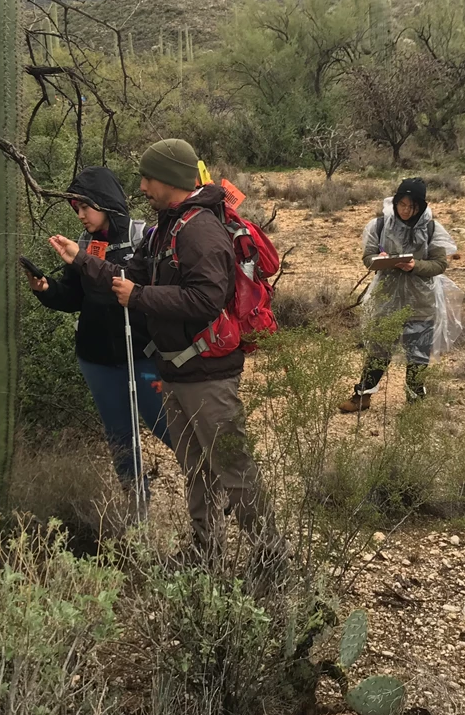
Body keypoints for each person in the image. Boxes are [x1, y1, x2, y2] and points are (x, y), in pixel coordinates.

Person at [49, 139, 280, 563]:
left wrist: (140, 297)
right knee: (197, 470)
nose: (141, 186)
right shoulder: (165, 228)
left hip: (209, 373)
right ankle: (205, 552)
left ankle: (272, 558)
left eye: (148, 178)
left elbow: (207, 298)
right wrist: (80, 260)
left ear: (169, 180)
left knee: (234, 470)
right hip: (178, 370)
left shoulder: (200, 230)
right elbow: (126, 273)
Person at [26, 167, 174, 501]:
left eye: (84, 207)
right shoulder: (84, 246)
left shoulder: (144, 237)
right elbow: (74, 298)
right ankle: (137, 507)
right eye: (75, 208)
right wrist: (47, 289)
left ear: (104, 202)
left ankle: (209, 487)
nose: (79, 215)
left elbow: (157, 291)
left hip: (145, 355)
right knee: (120, 436)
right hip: (97, 359)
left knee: (168, 425)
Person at [339, 177, 456, 413]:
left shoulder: (432, 229)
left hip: (421, 302)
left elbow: (439, 265)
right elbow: (367, 258)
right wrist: (380, 261)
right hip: (386, 300)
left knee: (418, 355)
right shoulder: (380, 225)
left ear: (420, 207)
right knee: (378, 351)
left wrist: (415, 267)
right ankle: (362, 396)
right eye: (402, 204)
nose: (405, 210)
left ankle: (415, 402)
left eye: (412, 206)